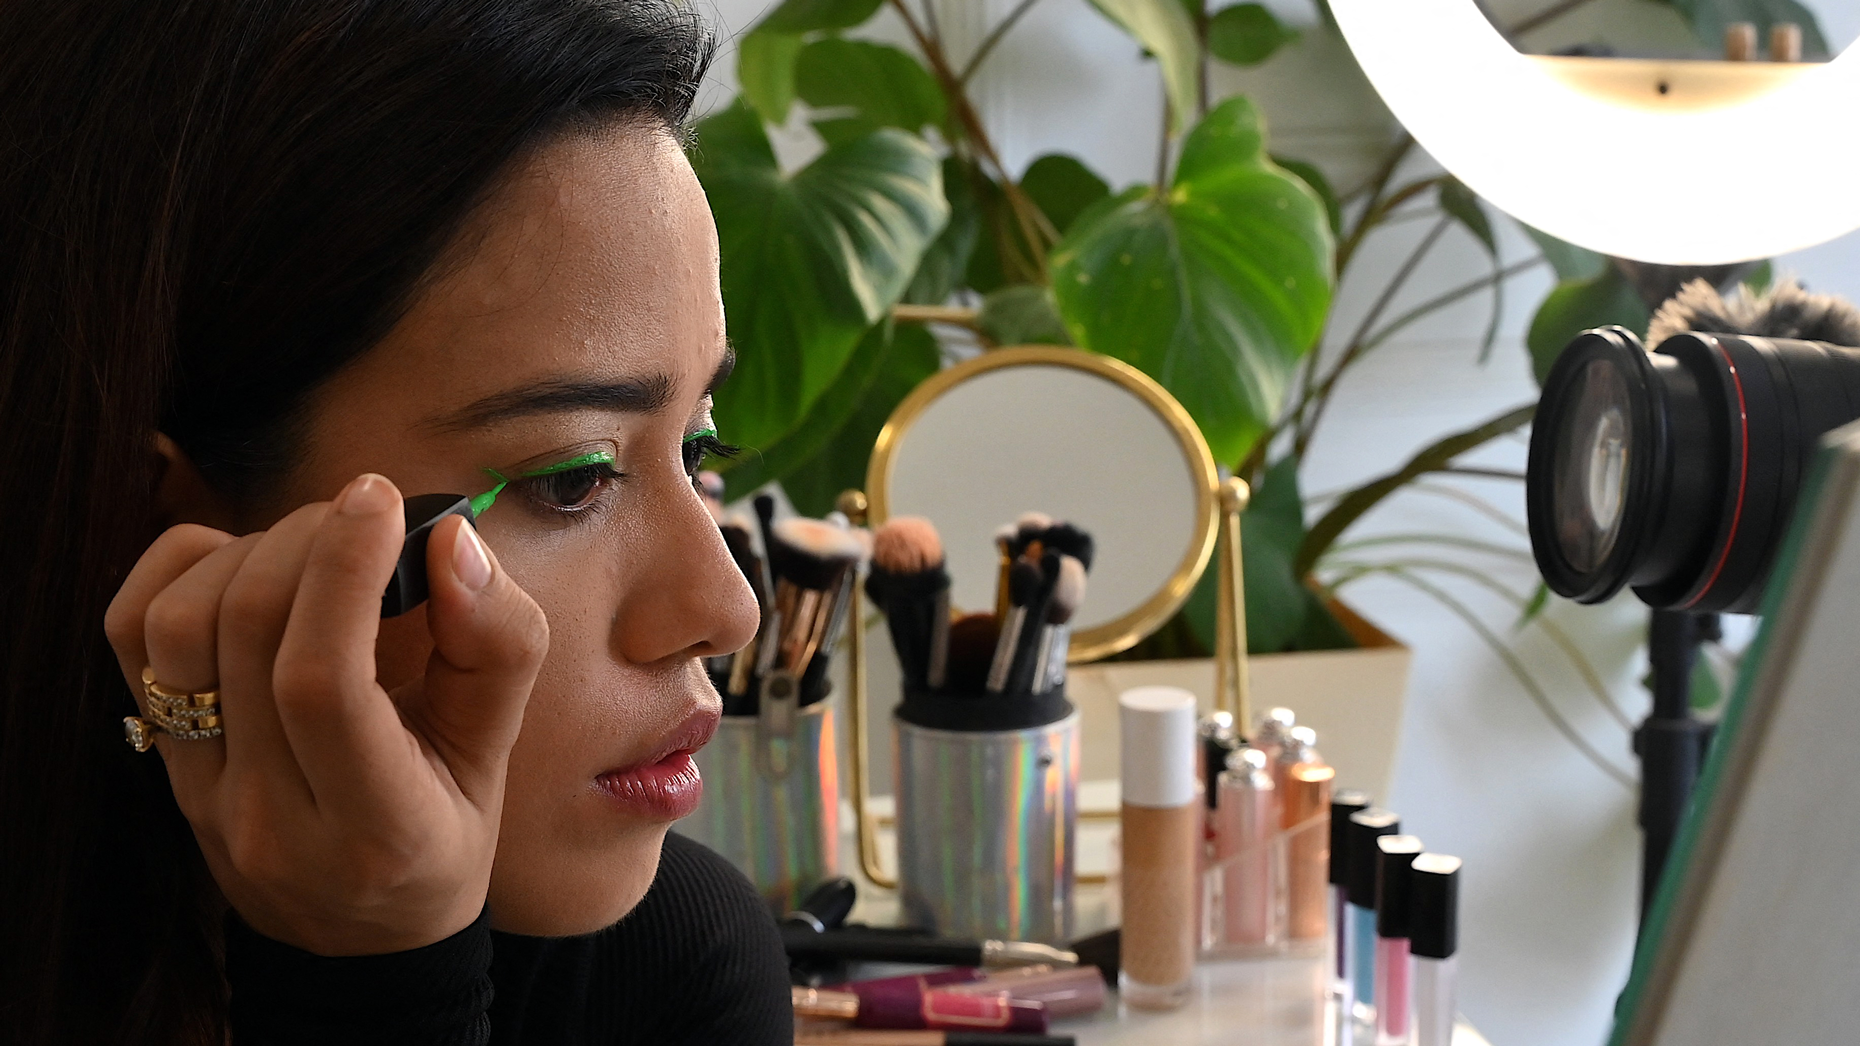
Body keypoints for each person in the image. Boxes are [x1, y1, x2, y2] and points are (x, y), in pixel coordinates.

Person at [0, 1, 793, 1043]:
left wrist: (382, 972)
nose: (726, 607)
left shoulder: (671, 967)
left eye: (698, 447)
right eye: (572, 478)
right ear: (167, 524)